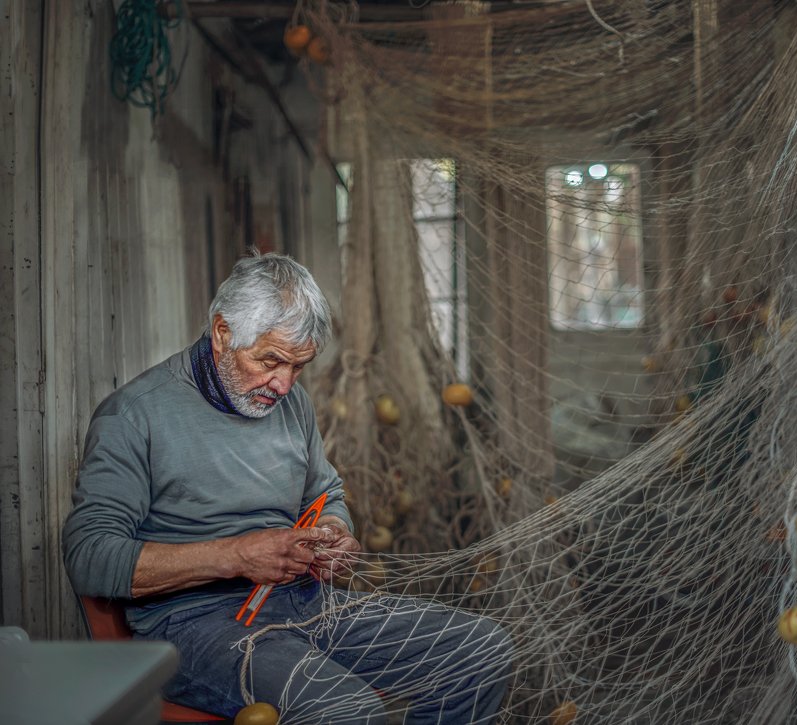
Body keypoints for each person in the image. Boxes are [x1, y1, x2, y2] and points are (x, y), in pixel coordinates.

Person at [63, 252, 512, 724]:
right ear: (222, 334)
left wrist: (334, 530)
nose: (282, 384)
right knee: (347, 711)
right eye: (270, 360)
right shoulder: (135, 415)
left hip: (304, 602)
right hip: (196, 625)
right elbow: (91, 557)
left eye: (298, 367)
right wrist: (236, 555)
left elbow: (326, 494)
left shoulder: (290, 403)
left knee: (478, 649)